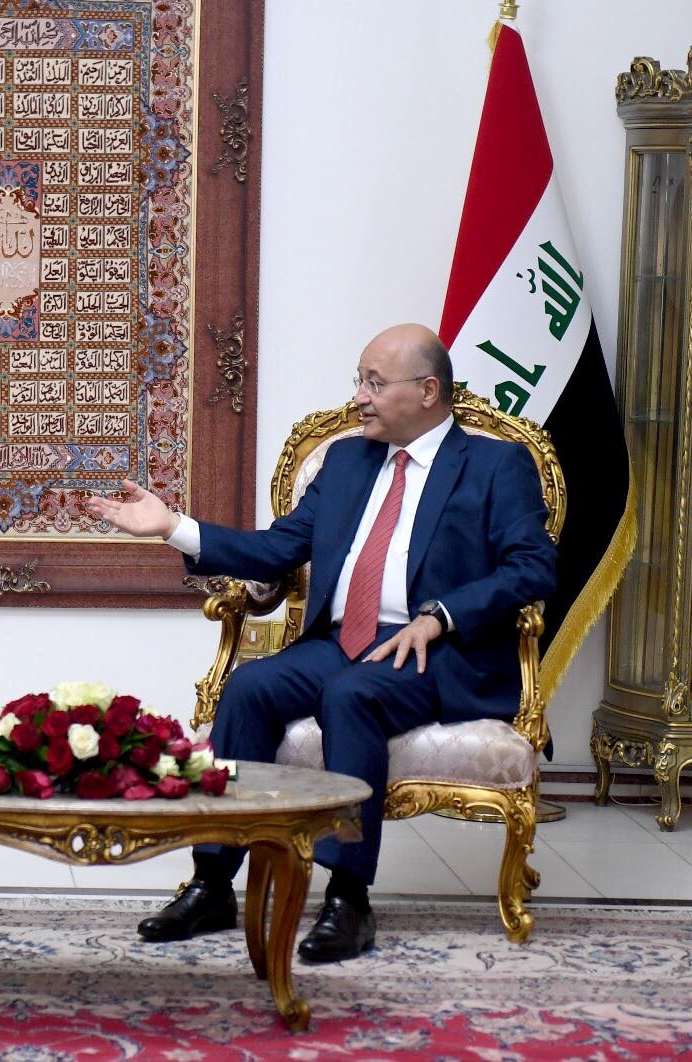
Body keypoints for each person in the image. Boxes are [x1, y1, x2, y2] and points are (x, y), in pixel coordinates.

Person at [86, 323, 555, 963]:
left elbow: (533, 567)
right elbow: (277, 549)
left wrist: (441, 615)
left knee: (351, 695)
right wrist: (174, 527)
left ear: (427, 391)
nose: (359, 396)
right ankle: (213, 882)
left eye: (374, 383)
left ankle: (348, 899)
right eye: (359, 381)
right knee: (249, 687)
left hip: (437, 651)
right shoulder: (347, 461)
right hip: (343, 639)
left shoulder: (496, 465)